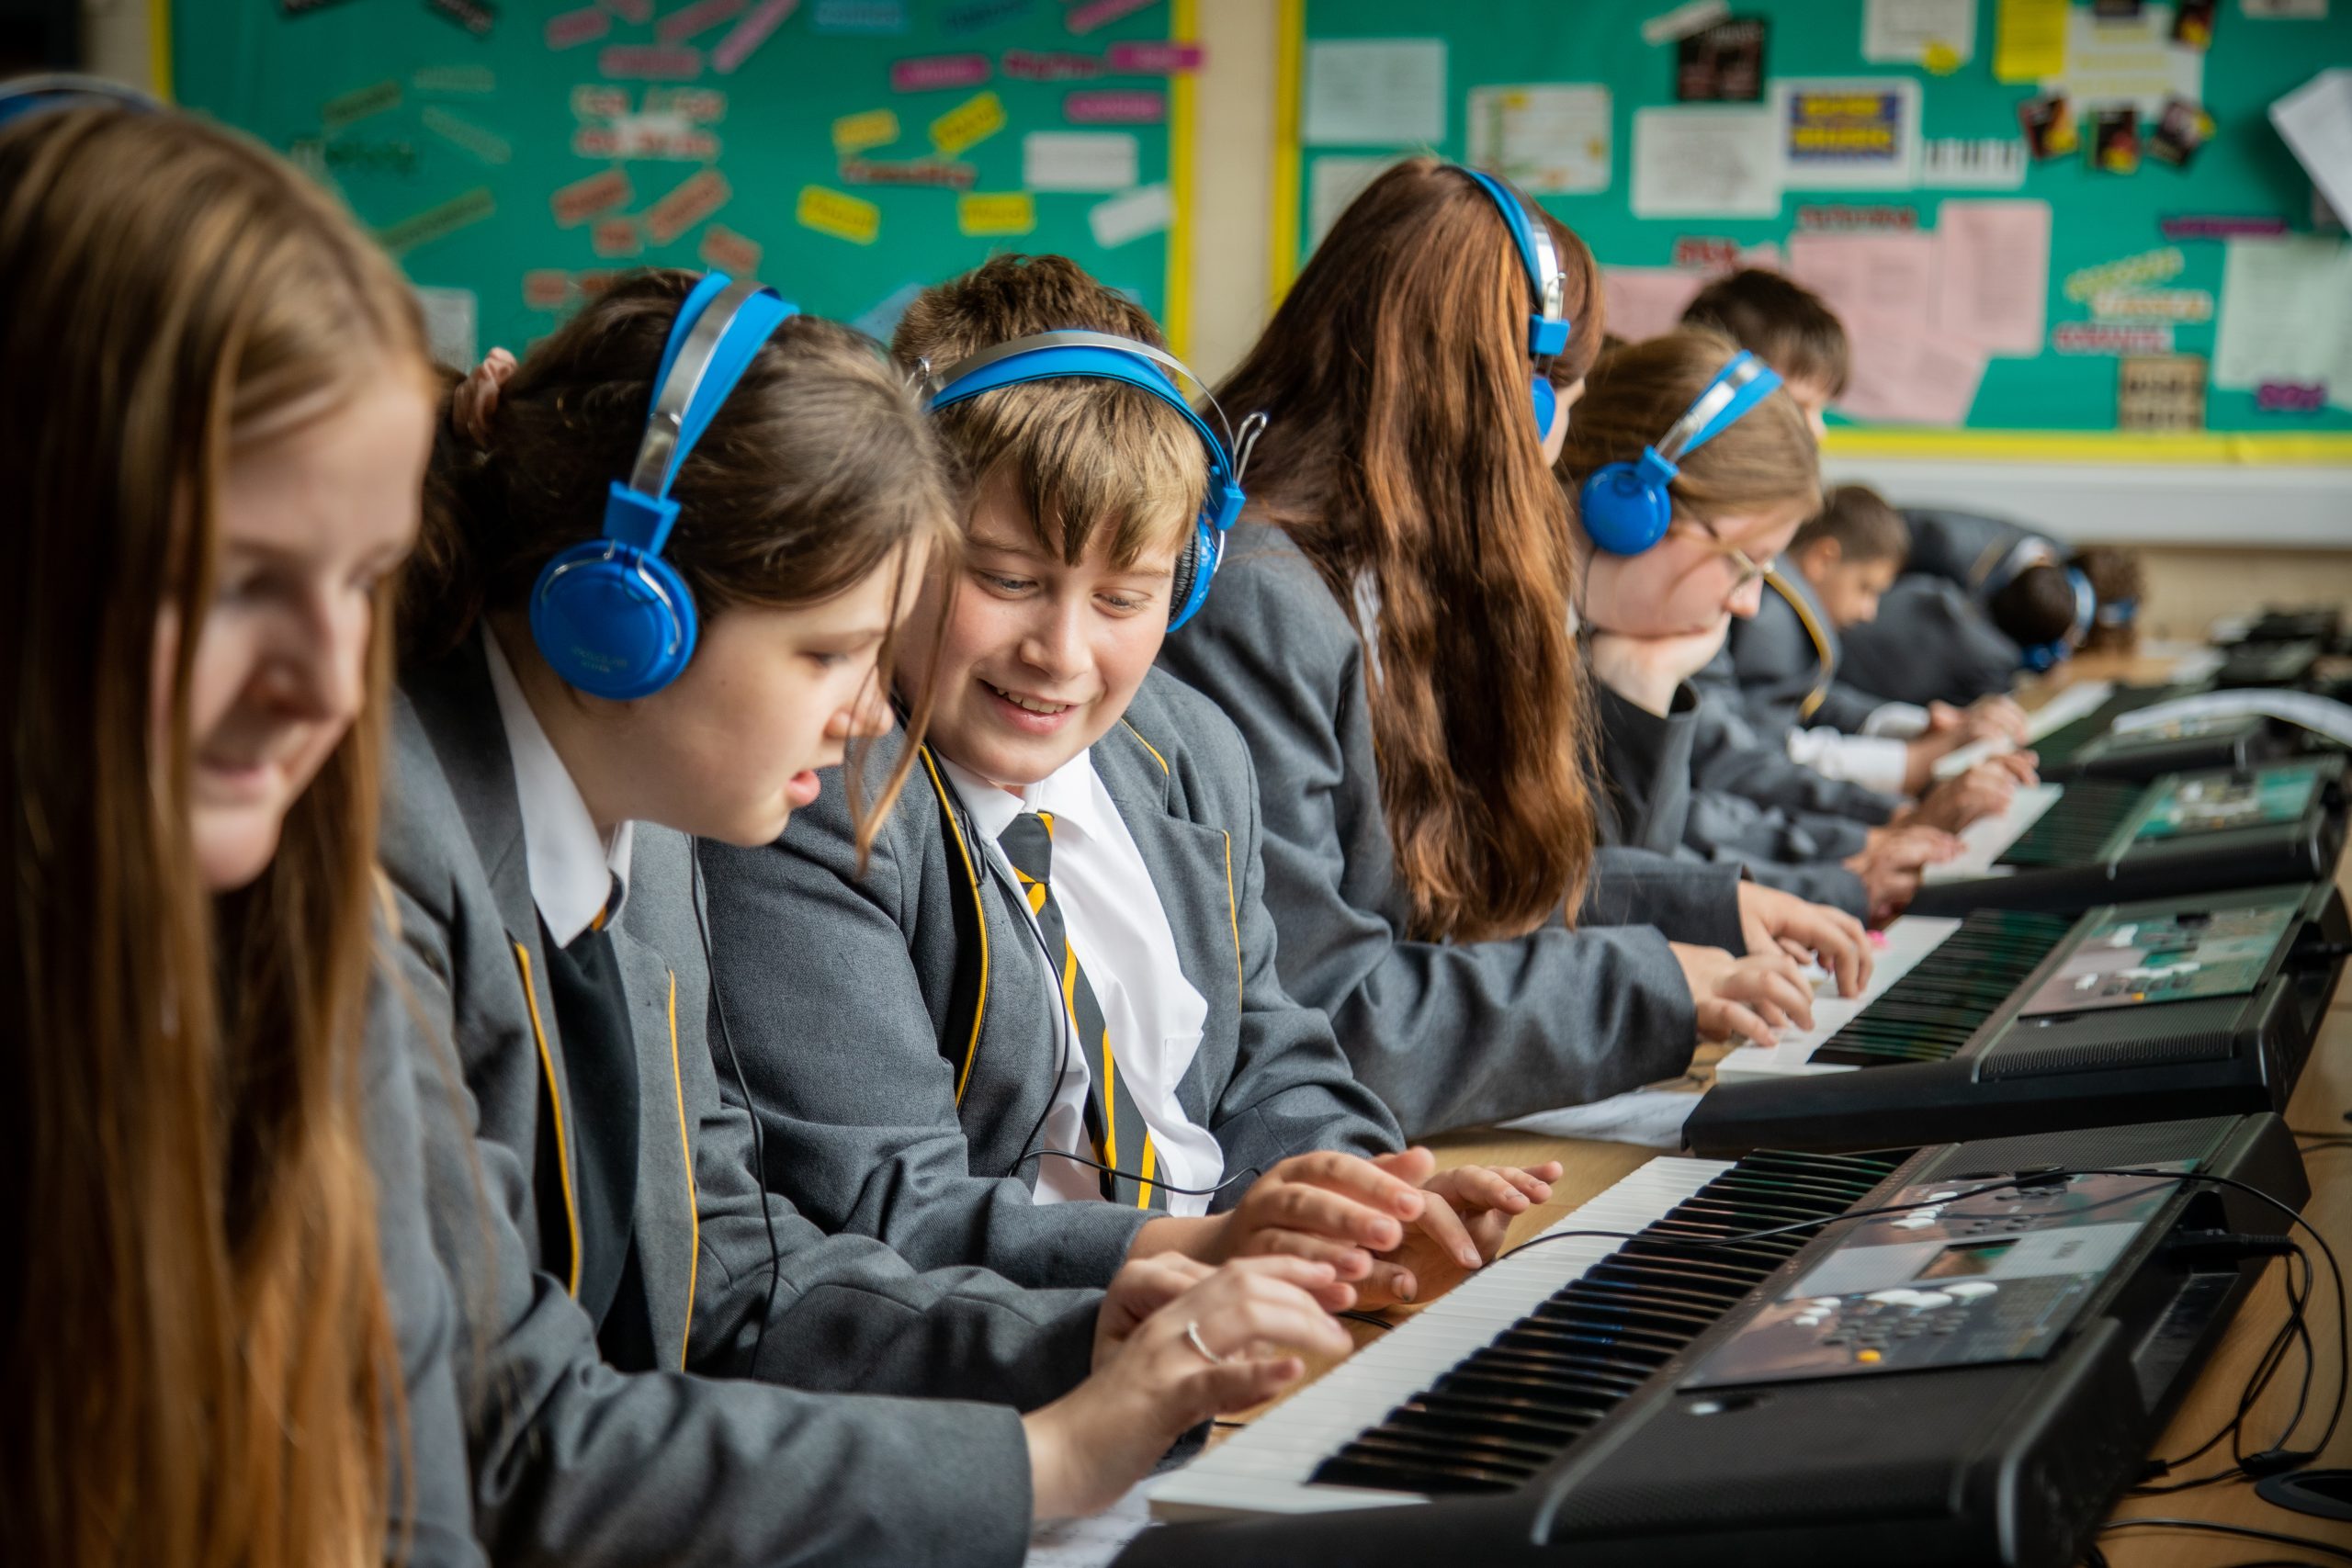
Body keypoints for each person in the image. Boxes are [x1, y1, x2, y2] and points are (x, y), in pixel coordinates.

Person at [386, 268, 1353, 1563]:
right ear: (627, 621)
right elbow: (507, 1442)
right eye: (828, 651)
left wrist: (1088, 1335)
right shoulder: (394, 862)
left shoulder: (651, 829)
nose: (868, 714)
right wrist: (1049, 1458)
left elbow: (735, 1276)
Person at [698, 254, 1558, 1305]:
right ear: (895, 547)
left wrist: (1355, 1202)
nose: (1060, 652)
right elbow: (885, 1198)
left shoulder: (1190, 750)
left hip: (1256, 1305)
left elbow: (1275, 1059)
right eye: (1007, 580)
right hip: (1041, 1332)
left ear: (1186, 584)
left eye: (1123, 598)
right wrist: (1205, 1256)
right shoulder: (819, 794)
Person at [0, 96, 481, 1567]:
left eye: (365, 580)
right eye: (229, 579)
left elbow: (409, 1513)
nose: (327, 687)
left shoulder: (315, 945)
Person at [1158, 160, 1869, 1138]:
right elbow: (1324, 1008)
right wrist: (1643, 986)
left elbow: (1461, 886)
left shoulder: (1384, 582)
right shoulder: (1261, 603)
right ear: (1519, 402)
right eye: (1567, 392)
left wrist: (1701, 914)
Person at [1557, 332, 1965, 927]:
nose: (1749, 602)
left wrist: (1643, 681)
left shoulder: (1603, 638)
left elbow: (1626, 883)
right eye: (1744, 562)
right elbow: (1599, 910)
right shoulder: (1482, 657)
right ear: (1628, 513)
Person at [1709, 484, 2031, 797]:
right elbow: (1765, 761)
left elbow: (1815, 702)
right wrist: (1912, 763)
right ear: (1823, 558)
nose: (1869, 612)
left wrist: (1920, 726)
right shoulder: (1772, 623)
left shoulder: (1785, 621)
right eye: (1867, 589)